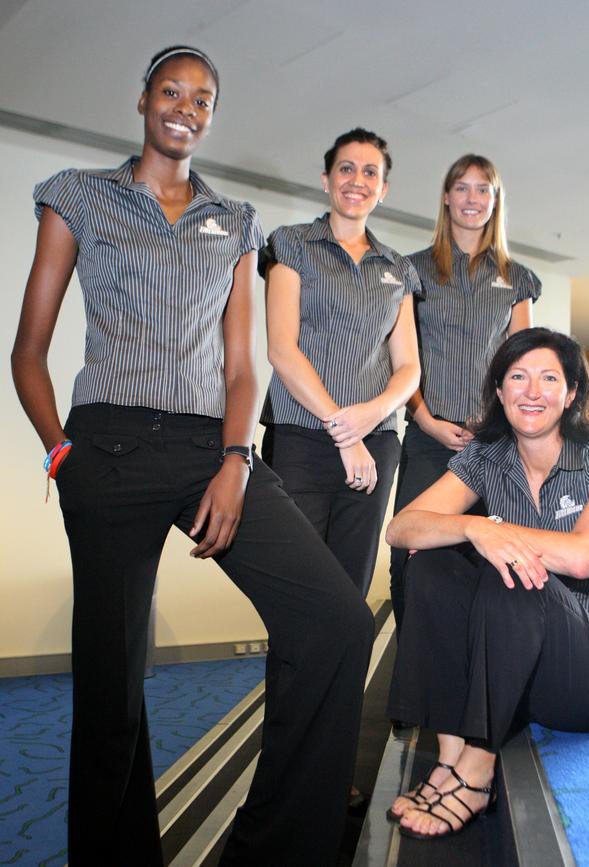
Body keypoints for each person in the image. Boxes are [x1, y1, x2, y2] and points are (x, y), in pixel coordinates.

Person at [11, 46, 374, 867]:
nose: (185, 106)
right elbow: (27, 351)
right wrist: (60, 454)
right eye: (171, 91)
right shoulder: (78, 196)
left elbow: (243, 367)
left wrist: (238, 460)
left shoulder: (238, 223)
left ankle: (276, 847)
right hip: (101, 447)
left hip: (208, 447)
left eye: (202, 98)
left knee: (337, 622)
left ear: (213, 113)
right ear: (142, 100)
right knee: (111, 693)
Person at [385, 327, 589, 841]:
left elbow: (583, 557)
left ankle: (477, 773)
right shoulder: (488, 458)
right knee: (431, 564)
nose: (533, 391)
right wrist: (474, 526)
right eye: (518, 377)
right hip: (522, 675)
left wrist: (498, 536)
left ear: (571, 393)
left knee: (516, 570)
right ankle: (451, 757)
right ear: (500, 393)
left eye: (549, 377)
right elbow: (402, 528)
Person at [260, 128, 420, 600]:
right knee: (298, 593)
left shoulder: (397, 268)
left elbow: (408, 367)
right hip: (301, 441)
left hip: (377, 444)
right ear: (327, 180)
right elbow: (282, 350)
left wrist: (370, 416)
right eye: (346, 168)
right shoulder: (290, 244)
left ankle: (344, 680)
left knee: (350, 592)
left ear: (384, 189)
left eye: (371, 172)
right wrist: (343, 431)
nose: (357, 180)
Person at [390, 154, 542, 636]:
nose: (472, 198)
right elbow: (400, 361)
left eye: (483, 189)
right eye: (462, 187)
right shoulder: (411, 271)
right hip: (429, 439)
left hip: (495, 445)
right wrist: (428, 420)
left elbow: (523, 366)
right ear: (446, 197)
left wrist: (504, 428)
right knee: (411, 559)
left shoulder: (516, 279)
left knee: (494, 560)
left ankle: (482, 681)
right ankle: (415, 689)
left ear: (495, 201)